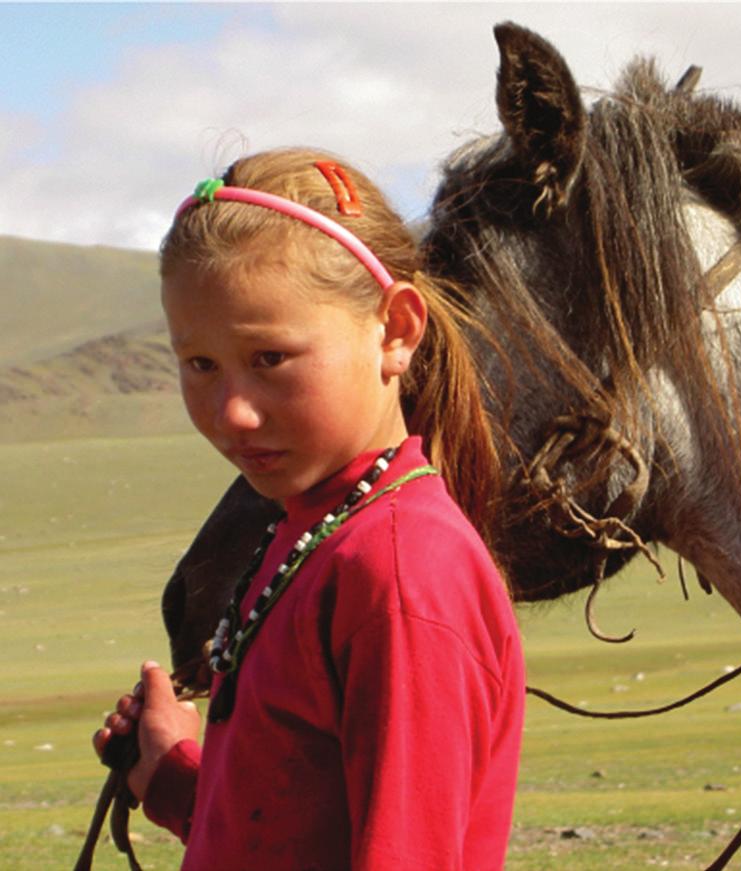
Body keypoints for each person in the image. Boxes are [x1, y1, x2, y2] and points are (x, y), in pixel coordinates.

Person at [92, 149, 525, 870]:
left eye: (270, 359)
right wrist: (170, 773)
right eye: (200, 365)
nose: (232, 411)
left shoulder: (401, 573)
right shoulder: (313, 531)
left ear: (396, 331)